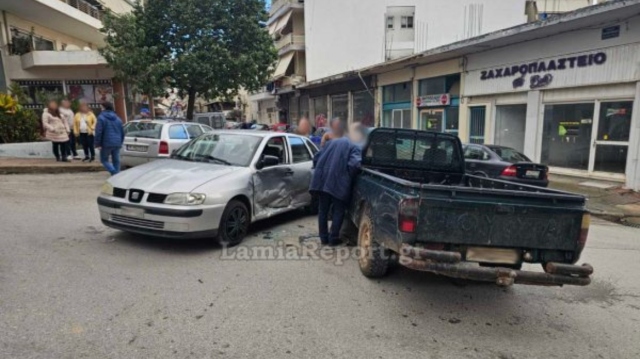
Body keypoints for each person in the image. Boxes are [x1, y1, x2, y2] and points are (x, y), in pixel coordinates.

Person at [310, 136, 362, 246]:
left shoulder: (331, 143)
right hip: (339, 183)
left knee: (323, 210)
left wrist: (321, 172)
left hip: (323, 182)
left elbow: (316, 158)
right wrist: (347, 177)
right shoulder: (354, 146)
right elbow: (355, 164)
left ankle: (323, 238)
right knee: (338, 211)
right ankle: (333, 239)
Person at [95, 102, 125, 175]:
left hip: (106, 143)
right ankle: (117, 175)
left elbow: (99, 132)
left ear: (104, 108)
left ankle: (114, 173)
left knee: (104, 160)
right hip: (117, 142)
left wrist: (97, 143)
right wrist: (120, 142)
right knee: (116, 160)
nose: (100, 109)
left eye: (101, 107)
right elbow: (122, 132)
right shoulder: (118, 118)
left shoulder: (101, 117)